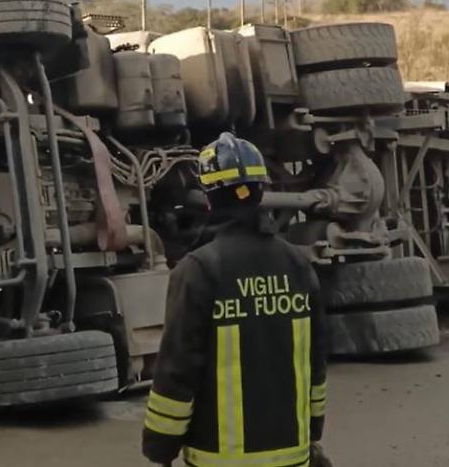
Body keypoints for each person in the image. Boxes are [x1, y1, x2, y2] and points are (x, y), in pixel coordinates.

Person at [142, 132, 331, 467]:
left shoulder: (199, 270)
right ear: (260, 191)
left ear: (209, 198)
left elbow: (177, 368)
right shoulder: (298, 266)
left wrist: (160, 449)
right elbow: (315, 363)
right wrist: (312, 431)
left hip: (220, 459)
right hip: (293, 453)